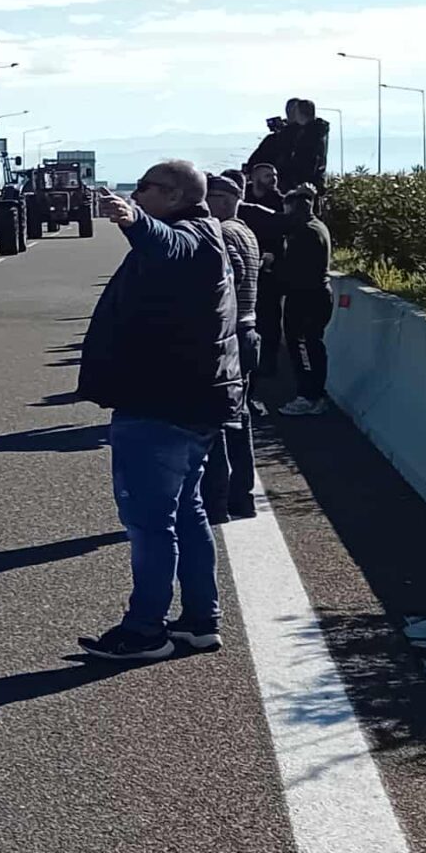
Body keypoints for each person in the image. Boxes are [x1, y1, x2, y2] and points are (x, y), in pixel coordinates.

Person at [75, 161, 242, 663]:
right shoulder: (203, 233)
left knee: (150, 522)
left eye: (144, 188)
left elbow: (168, 246)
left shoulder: (189, 235)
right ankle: (198, 622)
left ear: (171, 195)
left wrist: (132, 219)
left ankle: (145, 629)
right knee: (186, 513)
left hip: (161, 403)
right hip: (191, 402)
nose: (137, 193)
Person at [201, 174, 261, 522]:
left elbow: (230, 275)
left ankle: (218, 502)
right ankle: (242, 497)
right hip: (249, 330)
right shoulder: (246, 231)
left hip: (231, 335)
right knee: (240, 419)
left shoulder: (222, 232)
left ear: (223, 199)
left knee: (217, 422)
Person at [278, 184, 335, 417]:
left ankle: (308, 396)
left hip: (304, 297)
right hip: (319, 294)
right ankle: (316, 395)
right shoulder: (318, 226)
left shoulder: (305, 232)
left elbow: (294, 268)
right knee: (314, 345)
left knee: (301, 345)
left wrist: (273, 268)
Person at [240, 162, 286, 411]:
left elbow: (282, 231)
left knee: (269, 319)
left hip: (268, 270)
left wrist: (271, 254)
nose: (273, 179)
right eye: (268, 175)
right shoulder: (243, 199)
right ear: (255, 177)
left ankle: (266, 365)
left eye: (275, 175)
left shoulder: (277, 201)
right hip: (244, 268)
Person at [247, 97, 330, 195]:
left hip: (296, 186)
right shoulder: (316, 132)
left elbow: (302, 162)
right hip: (298, 185)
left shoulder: (309, 136)